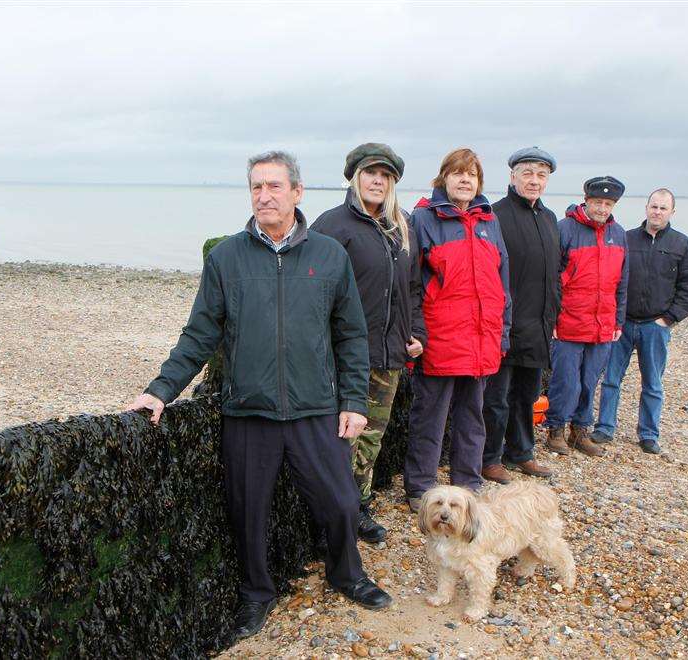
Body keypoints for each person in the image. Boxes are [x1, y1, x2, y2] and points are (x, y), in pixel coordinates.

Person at [126, 151, 391, 642]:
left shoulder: (330, 255)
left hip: (316, 408)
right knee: (248, 510)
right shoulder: (227, 257)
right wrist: (159, 390)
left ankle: (346, 574)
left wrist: (354, 401)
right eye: (256, 187)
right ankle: (256, 593)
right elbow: (199, 335)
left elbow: (352, 335)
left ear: (297, 192)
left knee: (341, 503)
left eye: (273, 186)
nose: (264, 195)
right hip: (248, 411)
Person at [311, 143, 426, 543]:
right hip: (344, 357)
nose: (378, 181)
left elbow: (413, 288)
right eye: (370, 173)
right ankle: (334, 516)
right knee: (340, 437)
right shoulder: (332, 225)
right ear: (355, 178)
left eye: (386, 176)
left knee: (371, 438)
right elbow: (312, 292)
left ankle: (357, 508)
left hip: (389, 354)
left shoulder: (402, 227)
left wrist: (417, 332)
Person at [403, 148, 511, 510]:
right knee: (429, 418)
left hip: (482, 338)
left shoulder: (489, 221)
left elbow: (502, 283)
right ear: (443, 178)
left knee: (472, 418)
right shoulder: (423, 219)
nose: (465, 180)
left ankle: (468, 485)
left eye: (472, 175)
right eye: (458, 173)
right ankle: (420, 487)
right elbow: (411, 282)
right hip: (440, 337)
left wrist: (502, 333)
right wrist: (416, 332)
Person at [592, 188, 688, 454]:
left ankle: (649, 434)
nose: (657, 212)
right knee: (611, 379)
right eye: (654, 207)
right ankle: (604, 428)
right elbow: (613, 279)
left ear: (672, 212)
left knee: (652, 383)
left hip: (656, 325)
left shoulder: (683, 245)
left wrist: (669, 319)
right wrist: (614, 316)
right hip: (624, 323)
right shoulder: (626, 239)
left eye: (663, 208)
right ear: (646, 208)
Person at [480, 147, 561, 484]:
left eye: (541, 175)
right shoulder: (495, 215)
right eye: (527, 173)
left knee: (527, 396)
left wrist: (553, 317)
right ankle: (490, 457)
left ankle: (522, 452)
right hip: (505, 323)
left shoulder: (549, 218)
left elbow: (553, 273)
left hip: (539, 324)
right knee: (496, 398)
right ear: (512, 176)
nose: (534, 180)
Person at [543, 176, 629, 457]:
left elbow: (623, 281)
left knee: (590, 381)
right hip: (569, 320)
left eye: (607, 203)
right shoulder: (565, 229)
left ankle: (580, 430)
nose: (602, 208)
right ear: (586, 201)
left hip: (603, 323)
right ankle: (555, 429)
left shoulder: (619, 234)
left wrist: (618, 320)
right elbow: (552, 278)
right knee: (566, 380)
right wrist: (553, 318)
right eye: (597, 202)